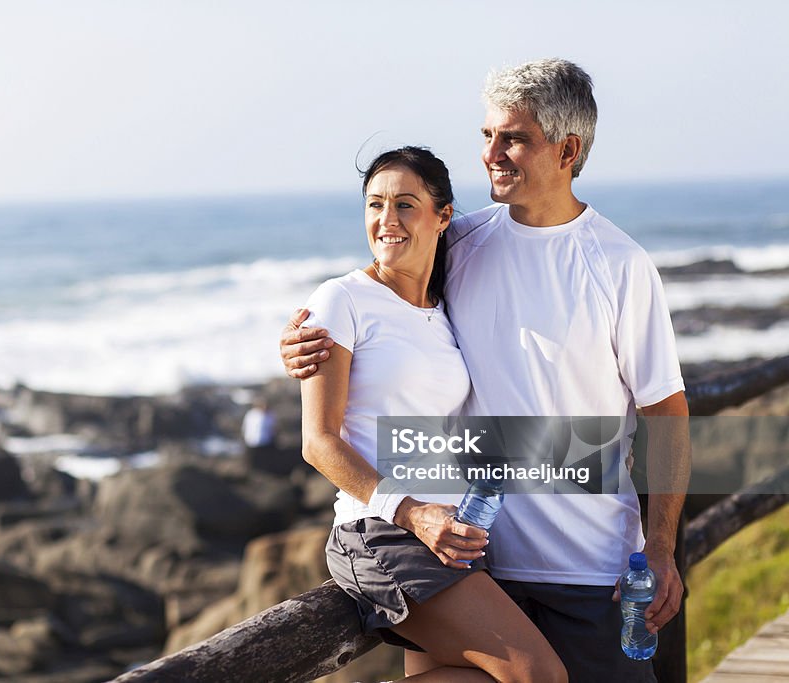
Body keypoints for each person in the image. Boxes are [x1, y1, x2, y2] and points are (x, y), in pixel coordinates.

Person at [281, 59, 689, 683]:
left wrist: (660, 548)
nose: (491, 154)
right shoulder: (461, 245)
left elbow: (666, 412)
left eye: (514, 138)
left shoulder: (619, 265)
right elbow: (383, 290)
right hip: (480, 557)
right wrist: (300, 342)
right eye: (487, 136)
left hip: (593, 571)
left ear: (567, 149)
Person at [301, 145, 567, 682]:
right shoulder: (341, 300)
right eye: (375, 205)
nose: (386, 220)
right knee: (540, 675)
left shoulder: (442, 311)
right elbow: (319, 441)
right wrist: (413, 512)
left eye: (405, 204)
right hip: (385, 531)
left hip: (451, 535)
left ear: (443, 216)